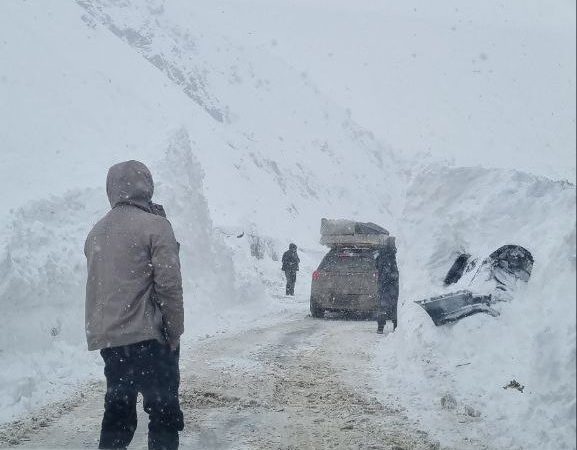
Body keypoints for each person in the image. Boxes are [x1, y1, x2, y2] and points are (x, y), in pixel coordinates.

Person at [84, 160, 184, 450]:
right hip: (151, 338)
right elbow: (169, 286)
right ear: (147, 186)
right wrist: (174, 332)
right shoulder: (156, 226)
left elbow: (104, 286)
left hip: (113, 344)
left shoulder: (96, 232)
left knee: (117, 414)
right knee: (163, 413)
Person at [375, 237, 399, 334]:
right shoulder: (395, 256)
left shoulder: (381, 255)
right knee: (395, 307)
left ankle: (380, 328)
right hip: (394, 285)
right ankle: (396, 327)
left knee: (382, 306)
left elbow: (377, 266)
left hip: (383, 285)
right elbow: (393, 271)